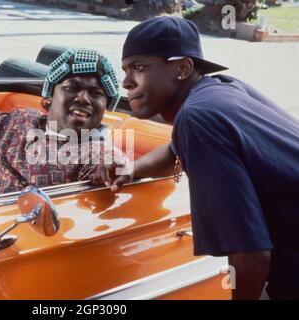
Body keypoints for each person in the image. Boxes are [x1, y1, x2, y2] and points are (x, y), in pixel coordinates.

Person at [91, 16, 299, 299]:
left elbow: (250, 255)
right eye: (126, 69)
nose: (126, 82)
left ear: (182, 68)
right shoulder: (221, 89)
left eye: (139, 67)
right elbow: (175, 148)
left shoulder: (197, 117)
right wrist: (133, 167)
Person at [0, 48, 122, 197]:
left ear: (104, 107)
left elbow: (117, 169)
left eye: (96, 93)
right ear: (49, 98)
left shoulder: (97, 154)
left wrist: (116, 167)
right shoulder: (19, 121)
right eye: (71, 88)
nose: (83, 98)